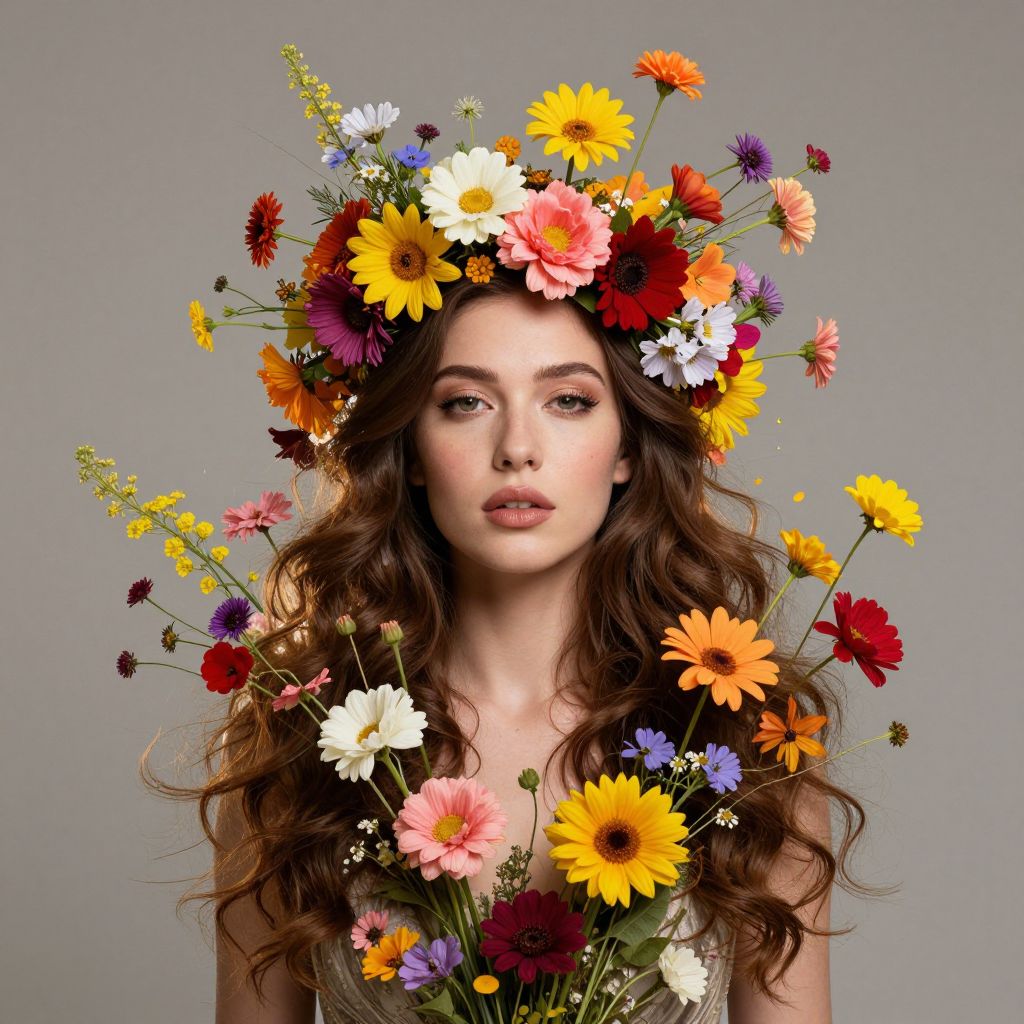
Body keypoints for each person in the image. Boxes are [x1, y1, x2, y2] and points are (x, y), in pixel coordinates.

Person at [152, 268, 868, 1023]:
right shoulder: (295, 736)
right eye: (465, 402)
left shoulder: (746, 739)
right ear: (414, 450)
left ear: (626, 445)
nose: (517, 447)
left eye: (569, 400)